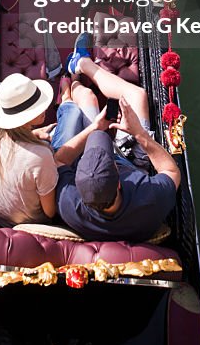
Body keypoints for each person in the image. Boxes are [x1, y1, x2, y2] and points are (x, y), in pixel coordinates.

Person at [52, 39, 180, 242]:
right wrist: (139, 133)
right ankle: (84, 64)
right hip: (133, 162)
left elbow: (58, 161)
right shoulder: (150, 198)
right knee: (136, 95)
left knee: (87, 97)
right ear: (120, 184)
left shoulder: (70, 204)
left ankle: (75, 74)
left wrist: (95, 127)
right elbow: (171, 171)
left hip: (103, 163)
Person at [0, 72, 104, 226]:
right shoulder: (40, 156)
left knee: (73, 115)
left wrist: (34, 134)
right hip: (34, 221)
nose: (44, 107)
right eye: (37, 106)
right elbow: (50, 211)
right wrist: (96, 128)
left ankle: (67, 99)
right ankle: (68, 98)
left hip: (2, 215)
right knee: (75, 114)